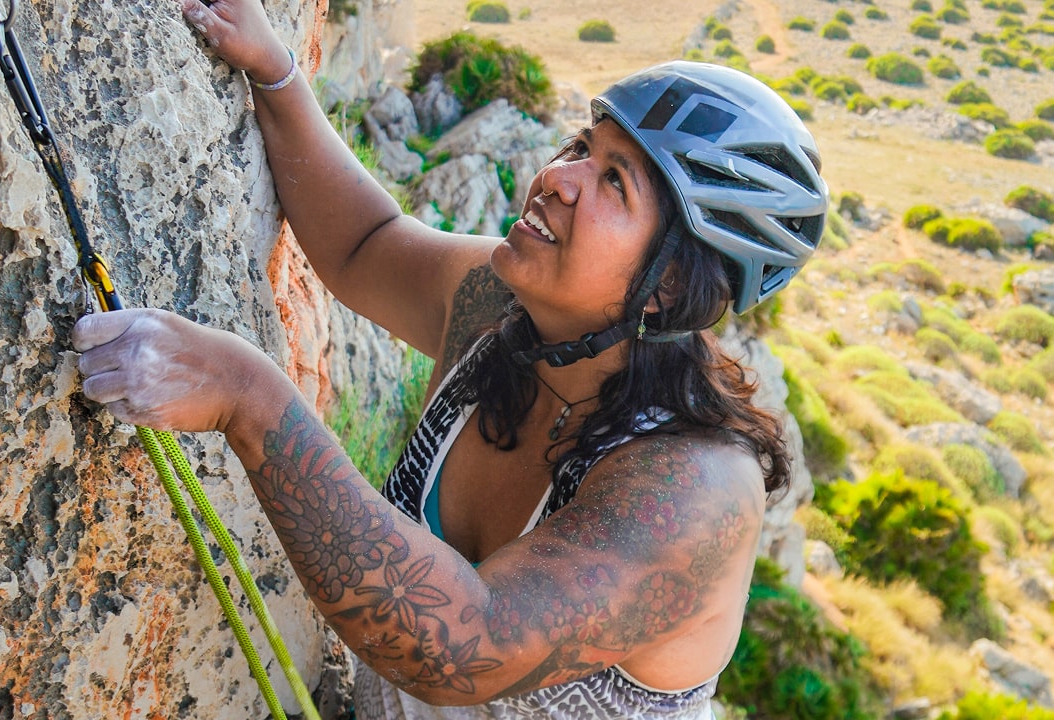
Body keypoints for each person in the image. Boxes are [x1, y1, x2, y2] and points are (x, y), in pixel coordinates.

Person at [72, 0, 827, 715]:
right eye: (581, 147)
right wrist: (276, 74)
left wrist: (249, 397)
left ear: (668, 286)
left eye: (613, 183)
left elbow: (463, 648)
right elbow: (367, 245)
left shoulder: (692, 491)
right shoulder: (502, 311)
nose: (557, 179)